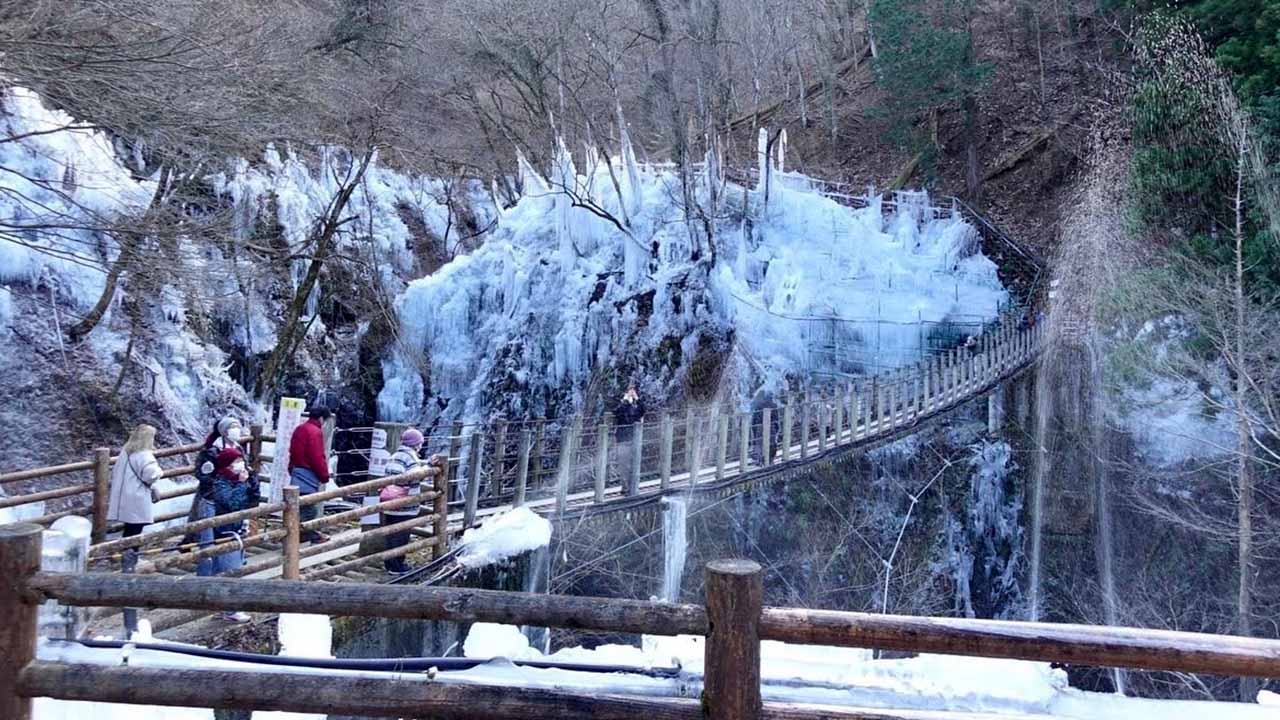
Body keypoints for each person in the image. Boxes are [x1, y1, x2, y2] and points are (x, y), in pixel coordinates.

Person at [204, 446, 259, 623]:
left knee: (228, 568)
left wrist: (252, 482)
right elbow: (232, 504)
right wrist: (243, 484)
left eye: (240, 460)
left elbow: (253, 499)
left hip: (237, 529)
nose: (240, 464)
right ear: (227, 465)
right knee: (230, 569)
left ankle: (223, 608)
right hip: (225, 531)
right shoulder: (221, 483)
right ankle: (231, 609)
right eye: (236, 462)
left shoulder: (236, 480)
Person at [379, 428, 426, 574]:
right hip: (404, 503)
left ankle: (390, 563)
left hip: (389, 501)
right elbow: (414, 476)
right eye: (420, 443)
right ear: (416, 444)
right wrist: (427, 468)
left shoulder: (395, 455)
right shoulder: (410, 458)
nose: (421, 446)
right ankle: (397, 566)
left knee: (392, 533)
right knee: (401, 535)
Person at [107, 423, 164, 538]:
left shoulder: (125, 452)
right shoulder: (144, 455)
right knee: (135, 530)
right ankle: (129, 554)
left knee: (130, 528)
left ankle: (127, 554)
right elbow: (151, 475)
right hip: (137, 497)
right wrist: (160, 472)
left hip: (124, 495)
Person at [289, 405, 332, 543]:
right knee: (308, 508)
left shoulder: (299, 428)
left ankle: (298, 534)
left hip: (297, 471)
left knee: (299, 506)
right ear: (321, 418)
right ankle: (303, 535)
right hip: (308, 473)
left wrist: (291, 468)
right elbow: (317, 456)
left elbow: (292, 451)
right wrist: (324, 475)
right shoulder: (315, 432)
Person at [614, 384, 645, 494]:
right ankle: (625, 488)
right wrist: (626, 400)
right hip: (623, 441)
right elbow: (619, 413)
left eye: (633, 391)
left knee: (634, 464)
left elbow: (643, 410)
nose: (631, 394)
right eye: (629, 392)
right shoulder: (622, 406)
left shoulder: (636, 408)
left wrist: (637, 398)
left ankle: (633, 487)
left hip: (633, 440)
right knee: (623, 465)